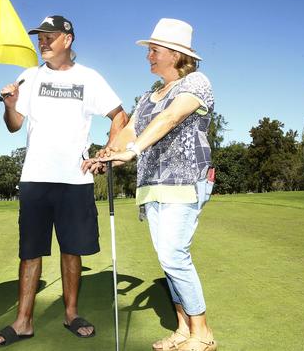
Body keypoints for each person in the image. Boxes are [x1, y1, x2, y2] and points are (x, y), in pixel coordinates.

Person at [0, 15, 128, 347]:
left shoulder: (89, 78)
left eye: (50, 36)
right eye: (40, 37)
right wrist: (9, 105)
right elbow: (13, 125)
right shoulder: (29, 77)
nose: (43, 41)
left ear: (68, 39)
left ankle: (71, 313)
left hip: (74, 179)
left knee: (72, 250)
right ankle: (23, 321)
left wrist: (107, 151)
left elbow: (119, 116)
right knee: (30, 252)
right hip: (35, 177)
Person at [87, 18, 217, 351]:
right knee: (167, 258)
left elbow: (170, 118)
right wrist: (107, 154)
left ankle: (202, 333)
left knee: (174, 255)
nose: (149, 57)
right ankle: (182, 329)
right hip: (153, 187)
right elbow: (129, 132)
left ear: (175, 55)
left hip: (185, 181)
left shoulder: (197, 83)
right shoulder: (147, 97)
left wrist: (131, 150)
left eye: (154, 51)